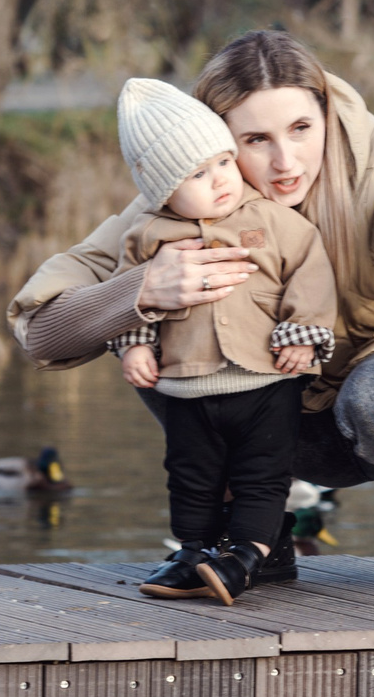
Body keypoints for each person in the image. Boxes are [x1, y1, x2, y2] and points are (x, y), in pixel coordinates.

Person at [8, 29, 374, 595]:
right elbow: (42, 328)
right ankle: (253, 536)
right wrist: (141, 292)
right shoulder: (173, 210)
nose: (286, 160)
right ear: (215, 141)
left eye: (300, 129)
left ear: (327, 117)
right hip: (278, 414)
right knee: (169, 351)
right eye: (255, 140)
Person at [108, 78, 336, 604]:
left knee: (263, 474)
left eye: (224, 163)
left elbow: (311, 273)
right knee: (190, 474)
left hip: (265, 378)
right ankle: (194, 551)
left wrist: (303, 335)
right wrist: (135, 343)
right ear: (162, 189)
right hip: (187, 383)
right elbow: (129, 292)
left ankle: (249, 554)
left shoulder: (273, 221)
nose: (219, 181)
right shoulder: (145, 235)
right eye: (197, 174)